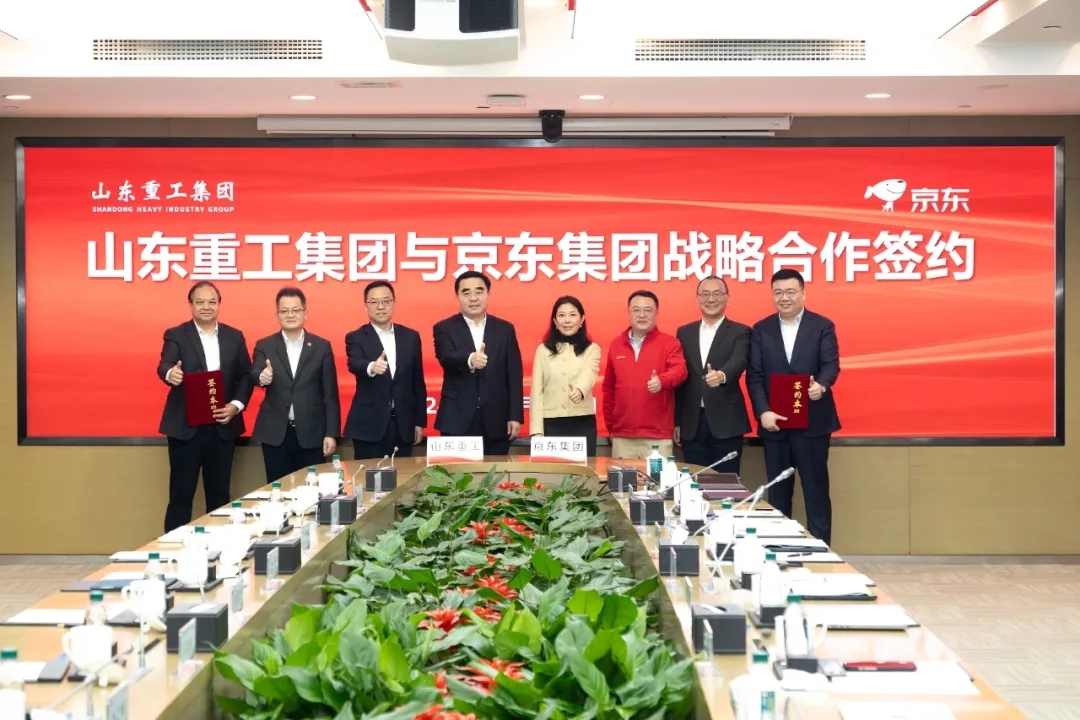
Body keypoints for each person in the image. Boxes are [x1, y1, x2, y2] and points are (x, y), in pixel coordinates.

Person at [747, 269, 841, 543]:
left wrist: (821, 385)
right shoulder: (761, 329)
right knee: (778, 493)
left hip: (813, 423)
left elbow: (831, 364)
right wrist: (763, 411)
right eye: (778, 292)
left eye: (790, 292)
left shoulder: (822, 326)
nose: (784, 298)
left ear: (803, 293)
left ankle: (821, 551)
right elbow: (755, 376)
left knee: (816, 491)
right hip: (775, 425)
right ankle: (779, 549)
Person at [157, 281, 253, 532]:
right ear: (191, 305)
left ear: (219, 304)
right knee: (181, 494)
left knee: (219, 494)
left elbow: (246, 375)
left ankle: (219, 547)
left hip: (222, 425)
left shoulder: (234, 336)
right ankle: (173, 548)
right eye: (200, 302)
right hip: (185, 427)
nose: (206, 307)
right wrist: (170, 374)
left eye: (212, 301)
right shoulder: (176, 334)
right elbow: (165, 364)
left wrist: (236, 405)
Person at [250, 287, 341, 483]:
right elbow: (255, 372)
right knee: (278, 489)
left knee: (311, 489)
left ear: (305, 313)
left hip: (312, 433)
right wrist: (262, 377)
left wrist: (331, 433)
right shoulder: (265, 345)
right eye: (284, 311)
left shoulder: (321, 347)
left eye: (295, 310)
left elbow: (330, 394)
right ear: (277, 314)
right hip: (275, 433)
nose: (290, 315)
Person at [434, 270, 523, 456]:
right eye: (466, 293)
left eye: (479, 291)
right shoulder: (444, 328)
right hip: (457, 419)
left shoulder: (505, 329)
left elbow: (514, 375)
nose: (473, 298)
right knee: (455, 473)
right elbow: (446, 357)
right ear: (458, 296)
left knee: (495, 472)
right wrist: (470, 359)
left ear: (488, 294)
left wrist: (515, 416)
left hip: (497, 419)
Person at [675, 277, 751, 475]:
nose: (711, 299)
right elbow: (681, 379)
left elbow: (740, 360)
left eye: (717, 294)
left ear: (726, 297)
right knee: (694, 482)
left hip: (727, 422)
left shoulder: (740, 331)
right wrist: (677, 421)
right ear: (698, 298)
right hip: (692, 423)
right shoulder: (684, 332)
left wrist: (723, 375)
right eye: (705, 294)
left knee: (725, 484)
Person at [344, 281, 428, 460]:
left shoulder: (411, 337)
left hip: (403, 425)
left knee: (402, 474)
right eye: (374, 302)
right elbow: (354, 363)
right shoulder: (356, 337)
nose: (380, 307)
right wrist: (371, 367)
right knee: (369, 475)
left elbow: (417, 382)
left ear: (393, 303)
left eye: (386, 301)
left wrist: (419, 422)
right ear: (365, 305)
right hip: (369, 425)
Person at [601, 290, 687, 459]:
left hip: (657, 437)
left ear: (656, 313)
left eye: (648, 310)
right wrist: (611, 427)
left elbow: (680, 371)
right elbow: (609, 388)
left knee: (658, 478)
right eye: (636, 310)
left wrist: (662, 380)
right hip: (622, 436)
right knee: (622, 478)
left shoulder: (669, 343)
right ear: (629, 312)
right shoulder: (616, 345)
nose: (642, 315)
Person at [529, 296, 602, 456]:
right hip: (551, 423)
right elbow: (536, 392)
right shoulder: (543, 350)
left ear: (582, 319)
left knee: (584, 469)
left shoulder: (592, 349)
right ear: (555, 321)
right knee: (553, 470)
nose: (567, 320)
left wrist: (580, 390)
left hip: (582, 422)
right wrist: (536, 431)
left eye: (572, 315)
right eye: (561, 315)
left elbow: (590, 373)